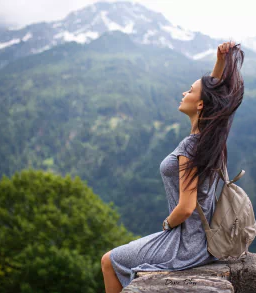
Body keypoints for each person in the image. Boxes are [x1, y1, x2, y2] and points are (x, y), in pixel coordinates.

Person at [101, 39, 245, 292]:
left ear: (200, 105)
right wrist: (220, 62)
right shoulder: (211, 142)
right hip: (203, 243)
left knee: (109, 260)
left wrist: (167, 223)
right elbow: (212, 95)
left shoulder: (192, 147)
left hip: (185, 245)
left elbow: (186, 207)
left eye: (189, 91)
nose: (184, 93)